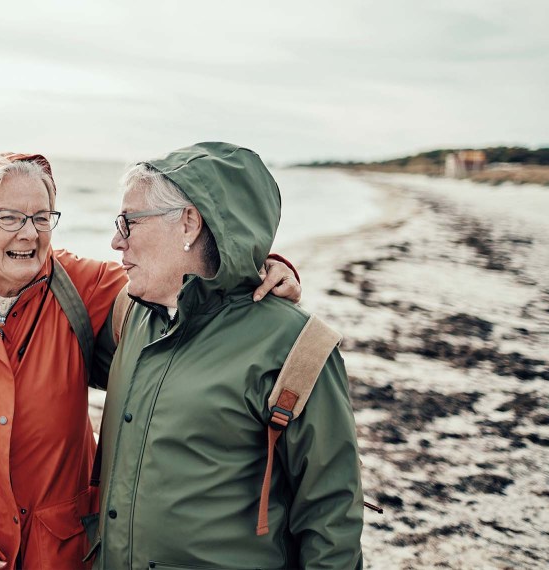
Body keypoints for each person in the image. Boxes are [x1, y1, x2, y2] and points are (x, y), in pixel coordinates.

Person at [0, 151, 303, 570]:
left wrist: (260, 267)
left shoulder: (79, 286)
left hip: (64, 552)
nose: (30, 234)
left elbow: (182, 278)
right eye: (10, 218)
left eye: (42, 218)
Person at [91, 142, 364, 569]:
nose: (115, 240)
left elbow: (332, 517)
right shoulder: (130, 317)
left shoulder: (297, 347)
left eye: (128, 223)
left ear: (188, 224)